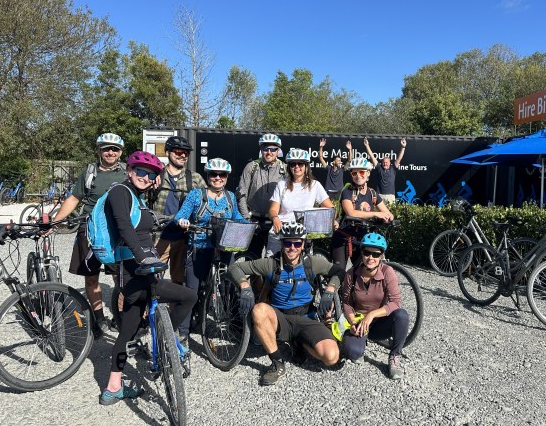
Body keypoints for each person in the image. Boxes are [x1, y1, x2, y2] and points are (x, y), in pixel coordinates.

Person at [99, 151, 197, 406]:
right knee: (189, 295)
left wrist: (178, 223)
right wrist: (142, 256)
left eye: (151, 174)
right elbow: (124, 227)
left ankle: (112, 388)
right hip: (135, 271)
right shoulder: (119, 191)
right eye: (140, 171)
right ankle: (166, 342)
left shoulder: (137, 198)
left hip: (140, 270)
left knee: (127, 330)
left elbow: (152, 224)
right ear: (129, 171)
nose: (145, 176)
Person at [229, 222, 344, 386]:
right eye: (287, 243)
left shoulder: (311, 262)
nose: (292, 248)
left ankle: (301, 343)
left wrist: (331, 289)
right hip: (280, 318)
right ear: (281, 243)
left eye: (297, 243)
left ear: (303, 244)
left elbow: (339, 272)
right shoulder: (271, 264)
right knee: (259, 310)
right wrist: (244, 285)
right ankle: (277, 363)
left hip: (307, 318)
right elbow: (235, 268)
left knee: (331, 357)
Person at [51, 133, 128, 337]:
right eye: (106, 148)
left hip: (116, 232)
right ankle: (98, 319)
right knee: (91, 277)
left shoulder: (127, 173)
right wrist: (55, 221)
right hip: (90, 230)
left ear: (120, 152)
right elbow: (74, 198)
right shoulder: (90, 172)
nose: (110, 152)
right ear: (99, 151)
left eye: (114, 149)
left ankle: (121, 317)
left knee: (120, 277)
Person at [173, 158, 243, 342]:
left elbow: (236, 216)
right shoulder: (196, 195)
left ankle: (236, 327)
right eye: (213, 174)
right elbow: (181, 214)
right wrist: (182, 221)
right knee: (192, 291)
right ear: (208, 175)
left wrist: (247, 224)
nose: (217, 178)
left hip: (224, 247)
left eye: (222, 175)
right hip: (200, 246)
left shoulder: (230, 197)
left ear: (227, 177)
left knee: (229, 287)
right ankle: (183, 334)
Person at [340, 233, 408, 380]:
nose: (371, 258)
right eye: (367, 252)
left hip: (378, 324)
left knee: (402, 315)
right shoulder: (351, 275)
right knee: (353, 353)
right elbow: (346, 302)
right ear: (362, 253)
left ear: (381, 256)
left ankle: (394, 356)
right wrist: (353, 322)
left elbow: (395, 302)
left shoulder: (387, 272)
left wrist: (371, 315)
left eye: (376, 254)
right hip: (359, 323)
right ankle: (359, 340)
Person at [149, 135, 207, 285]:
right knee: (151, 279)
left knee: (178, 282)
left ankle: (175, 309)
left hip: (183, 238)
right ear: (167, 152)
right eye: (178, 152)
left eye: (186, 153)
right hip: (159, 236)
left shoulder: (195, 178)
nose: (182, 156)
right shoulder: (155, 175)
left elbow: (206, 204)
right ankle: (148, 309)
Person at [266, 148, 334, 257]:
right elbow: (273, 209)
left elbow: (330, 208)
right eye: (293, 164)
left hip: (303, 233)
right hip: (282, 229)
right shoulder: (282, 184)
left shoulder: (314, 185)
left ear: (306, 166)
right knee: (271, 266)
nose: (297, 167)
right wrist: (275, 218)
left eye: (300, 164)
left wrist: (332, 220)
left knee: (305, 268)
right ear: (289, 167)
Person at [330, 158, 394, 271]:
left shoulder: (373, 193)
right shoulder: (347, 192)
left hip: (362, 238)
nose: (358, 176)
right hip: (343, 237)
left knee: (364, 270)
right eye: (354, 173)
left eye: (362, 172)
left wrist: (389, 217)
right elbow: (351, 212)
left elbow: (387, 212)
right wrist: (376, 214)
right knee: (338, 273)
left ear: (368, 173)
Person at [237, 133, 287, 258]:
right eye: (266, 149)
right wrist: (246, 219)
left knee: (275, 260)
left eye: (273, 149)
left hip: (276, 220)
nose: (269, 152)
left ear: (278, 151)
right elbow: (241, 194)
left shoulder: (285, 169)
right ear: (261, 150)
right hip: (254, 219)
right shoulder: (251, 167)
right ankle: (256, 278)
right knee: (252, 260)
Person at [363, 137, 407, 204]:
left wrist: (403, 147)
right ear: (381, 162)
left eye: (386, 162)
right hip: (380, 196)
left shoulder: (393, 169)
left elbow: (399, 158)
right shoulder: (379, 168)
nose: (385, 163)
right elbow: (372, 156)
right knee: (380, 213)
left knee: (390, 213)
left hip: (390, 196)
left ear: (390, 163)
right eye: (383, 162)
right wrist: (367, 145)